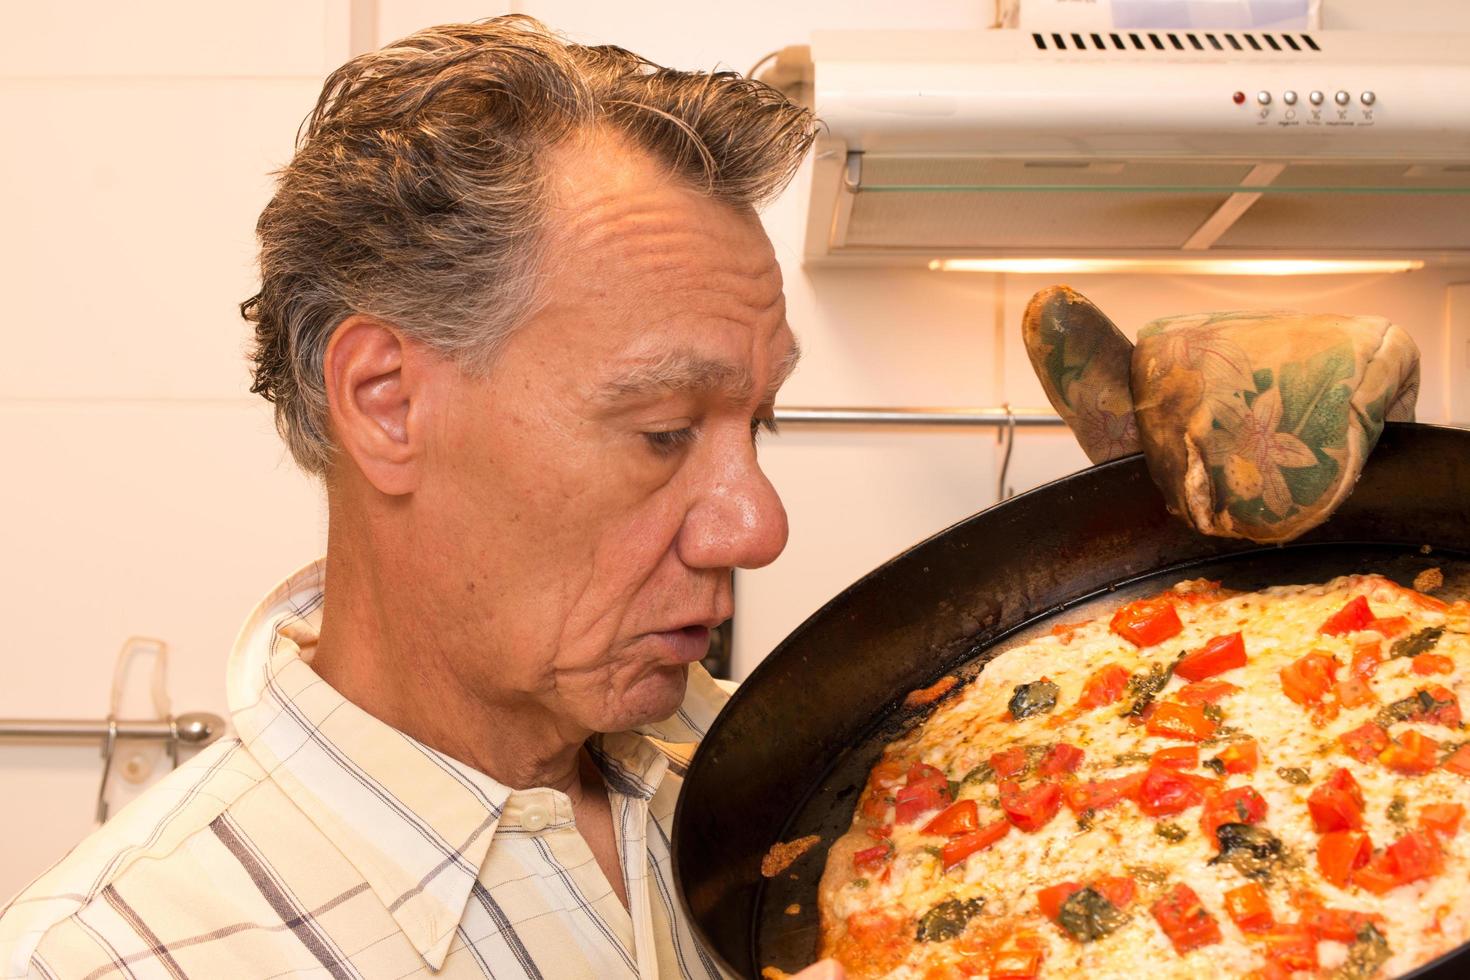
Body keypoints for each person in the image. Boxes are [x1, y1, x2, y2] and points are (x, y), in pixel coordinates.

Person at [0, 14, 1418, 980]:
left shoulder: (764, 771)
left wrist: (1244, 546)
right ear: (387, 403)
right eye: (664, 428)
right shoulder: (133, 952)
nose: (759, 525)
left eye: (762, 419)